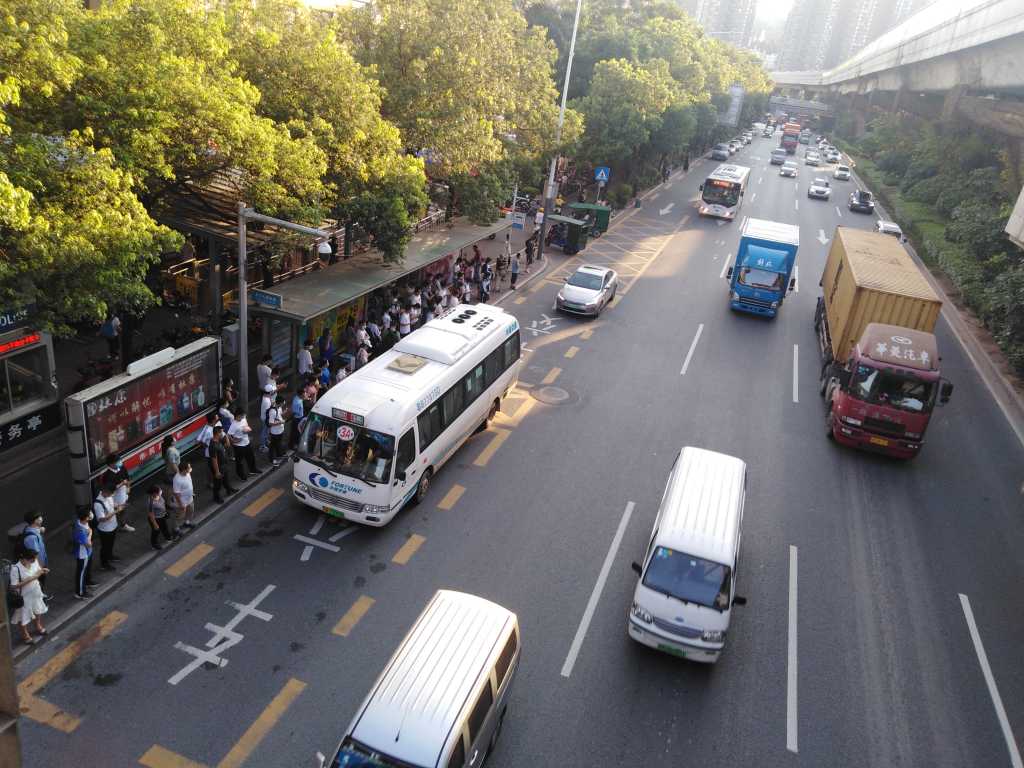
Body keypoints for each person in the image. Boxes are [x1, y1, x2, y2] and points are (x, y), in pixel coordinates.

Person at [10, 549, 49, 644]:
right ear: (24, 559)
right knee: (23, 616)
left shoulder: (34, 561)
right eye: (32, 560)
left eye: (34, 559)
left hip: (35, 592)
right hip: (24, 596)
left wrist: (43, 571)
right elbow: (14, 586)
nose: (34, 561)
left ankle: (38, 626)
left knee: (38, 610)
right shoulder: (16, 569)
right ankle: (25, 634)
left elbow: (38, 570)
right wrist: (33, 578)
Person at [21, 512, 50, 600]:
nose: (41, 518)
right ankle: (40, 599)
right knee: (39, 582)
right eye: (39, 517)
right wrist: (40, 568)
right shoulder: (31, 538)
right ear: (35, 521)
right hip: (38, 565)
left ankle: (41, 595)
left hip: (40, 562)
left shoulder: (32, 529)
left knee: (40, 582)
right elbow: (35, 555)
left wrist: (40, 530)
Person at [104, 454, 134, 532]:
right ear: (111, 464)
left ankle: (123, 524)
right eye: (117, 461)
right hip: (114, 497)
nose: (120, 462)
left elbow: (127, 478)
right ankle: (117, 525)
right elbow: (109, 488)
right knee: (115, 511)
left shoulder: (122, 468)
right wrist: (122, 484)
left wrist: (128, 488)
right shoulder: (107, 475)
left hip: (123, 494)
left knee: (123, 510)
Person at [229, 406, 258, 481]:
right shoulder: (233, 425)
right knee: (239, 461)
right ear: (238, 415)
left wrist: (247, 430)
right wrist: (234, 441)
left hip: (246, 442)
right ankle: (241, 475)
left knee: (251, 457)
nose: (243, 417)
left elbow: (247, 426)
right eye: (242, 415)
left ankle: (253, 470)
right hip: (239, 446)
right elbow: (229, 435)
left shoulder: (244, 419)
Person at [94, 485, 119, 570]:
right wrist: (116, 511)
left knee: (111, 544)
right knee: (105, 547)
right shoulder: (98, 504)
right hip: (105, 530)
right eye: (111, 493)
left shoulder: (109, 496)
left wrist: (117, 506)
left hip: (113, 526)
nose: (112, 495)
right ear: (106, 491)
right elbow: (102, 519)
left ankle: (110, 556)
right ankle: (104, 564)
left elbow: (112, 505)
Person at [209, 426, 236, 502]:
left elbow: (228, 445)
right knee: (218, 483)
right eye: (221, 432)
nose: (222, 433)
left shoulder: (219, 440)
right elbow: (214, 459)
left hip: (224, 465)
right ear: (217, 433)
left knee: (226, 479)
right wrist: (217, 472)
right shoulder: (213, 445)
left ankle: (229, 490)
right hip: (219, 467)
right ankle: (216, 497)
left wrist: (226, 436)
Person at [72, 508, 94, 600]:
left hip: (85, 552)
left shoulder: (79, 522)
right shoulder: (81, 531)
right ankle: (80, 592)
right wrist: (90, 533)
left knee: (82, 571)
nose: (91, 515)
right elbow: (88, 544)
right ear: (86, 518)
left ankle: (84, 585)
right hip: (83, 554)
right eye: (89, 514)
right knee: (81, 573)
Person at [147, 485, 176, 550]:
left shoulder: (159, 495)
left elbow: (163, 503)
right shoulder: (151, 502)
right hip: (155, 519)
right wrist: (155, 524)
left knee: (164, 527)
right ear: (154, 493)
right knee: (156, 531)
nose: (160, 492)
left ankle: (168, 538)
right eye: (158, 491)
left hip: (162, 516)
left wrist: (167, 510)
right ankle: (154, 544)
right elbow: (151, 514)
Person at [172, 462, 196, 530]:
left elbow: (189, 483)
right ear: (184, 470)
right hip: (182, 502)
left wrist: (192, 493)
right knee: (179, 516)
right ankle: (176, 529)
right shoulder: (177, 479)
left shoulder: (187, 474)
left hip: (190, 499)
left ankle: (187, 522)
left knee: (190, 512)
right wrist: (181, 504)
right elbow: (176, 493)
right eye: (189, 467)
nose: (190, 468)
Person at [267, 395, 286, 466]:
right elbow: (271, 423)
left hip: (280, 430)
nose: (284, 403)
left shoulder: (279, 407)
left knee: (278, 444)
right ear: (280, 402)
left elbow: (279, 415)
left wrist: (284, 412)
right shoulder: (272, 411)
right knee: (273, 446)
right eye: (283, 402)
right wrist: (281, 422)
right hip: (275, 432)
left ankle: (279, 454)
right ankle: (272, 459)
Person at [258, 382, 275, 453]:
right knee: (264, 432)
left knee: (266, 431)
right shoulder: (267, 401)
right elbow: (269, 411)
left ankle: (266, 441)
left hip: (264, 417)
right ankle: (262, 446)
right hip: (265, 419)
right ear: (270, 392)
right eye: (272, 391)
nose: (273, 392)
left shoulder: (265, 397)